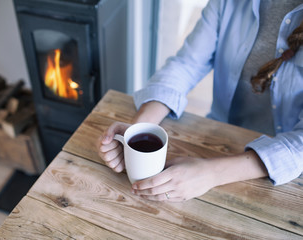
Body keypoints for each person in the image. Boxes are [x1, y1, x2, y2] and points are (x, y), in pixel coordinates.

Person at [98, 0, 303, 202]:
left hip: (283, 173)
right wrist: (140, 128)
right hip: (218, 136)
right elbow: (187, 64)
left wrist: (211, 174)